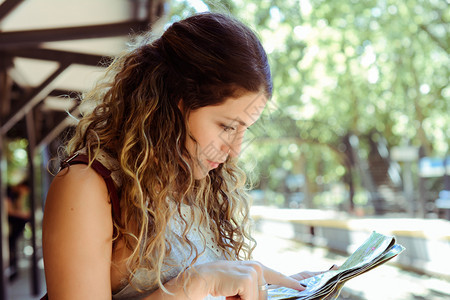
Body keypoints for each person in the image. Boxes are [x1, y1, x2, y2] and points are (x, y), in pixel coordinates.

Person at [42, 12, 334, 299]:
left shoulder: (198, 183)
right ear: (174, 102)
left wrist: (275, 290)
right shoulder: (86, 187)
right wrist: (196, 283)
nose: (234, 151)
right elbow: (198, 285)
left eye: (244, 129)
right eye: (226, 126)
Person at [6, 180, 31, 281]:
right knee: (24, 219)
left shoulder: (15, 194)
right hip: (6, 216)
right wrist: (24, 215)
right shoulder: (8, 191)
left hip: (10, 218)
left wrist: (21, 196)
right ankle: (11, 241)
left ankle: (12, 241)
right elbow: (10, 211)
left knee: (24, 219)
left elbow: (18, 208)